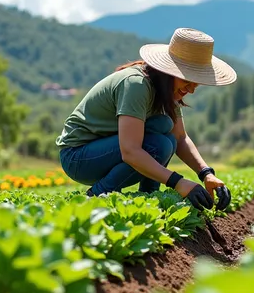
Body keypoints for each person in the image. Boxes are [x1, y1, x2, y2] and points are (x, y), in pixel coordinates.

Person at [55, 27, 237, 211]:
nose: (190, 90)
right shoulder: (136, 84)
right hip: (78, 157)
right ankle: (97, 195)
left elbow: (181, 138)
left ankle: (150, 196)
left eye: (195, 84)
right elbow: (130, 151)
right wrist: (178, 182)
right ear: (170, 71)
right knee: (159, 144)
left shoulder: (167, 90)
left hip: (104, 149)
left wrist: (206, 174)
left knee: (167, 135)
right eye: (187, 81)